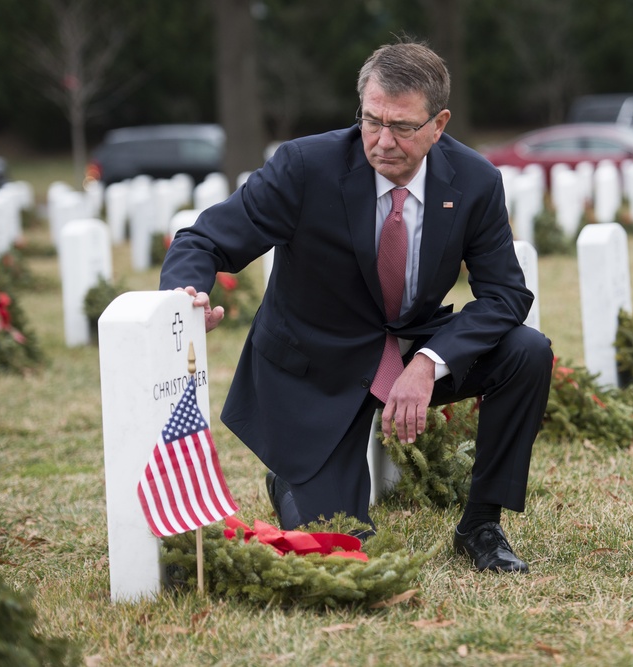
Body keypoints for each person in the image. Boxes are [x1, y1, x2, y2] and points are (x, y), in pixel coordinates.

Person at [159, 40, 552, 573]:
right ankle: (292, 478)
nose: (383, 141)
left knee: (526, 351)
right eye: (372, 121)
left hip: (409, 344)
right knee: (345, 545)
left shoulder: (475, 181)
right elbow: (203, 240)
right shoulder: (305, 167)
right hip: (316, 364)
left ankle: (481, 524)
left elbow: (507, 294)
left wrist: (428, 363)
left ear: (439, 124)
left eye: (403, 127)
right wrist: (188, 296)